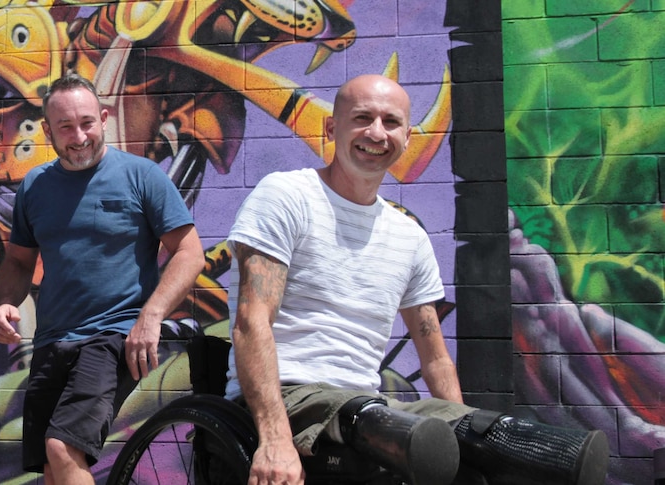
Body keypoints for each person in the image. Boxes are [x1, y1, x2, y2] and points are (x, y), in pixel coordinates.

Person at [224, 74, 609, 485]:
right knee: (388, 425)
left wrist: (465, 436)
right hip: (289, 395)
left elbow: (435, 357)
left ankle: (562, 456)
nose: (376, 133)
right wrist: (275, 440)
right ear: (332, 128)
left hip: (369, 405)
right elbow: (252, 321)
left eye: (390, 122)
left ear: (407, 137)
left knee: (491, 436)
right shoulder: (286, 196)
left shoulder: (408, 236)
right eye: (362, 118)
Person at [0, 73, 205, 484]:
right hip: (52, 342)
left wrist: (151, 316)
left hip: (112, 337)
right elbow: (17, 262)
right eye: (66, 127)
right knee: (53, 469)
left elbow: (189, 253)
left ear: (104, 118)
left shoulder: (142, 176)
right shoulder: (35, 185)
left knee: (63, 448)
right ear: (48, 130)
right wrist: (5, 304)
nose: (79, 136)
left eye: (87, 122)